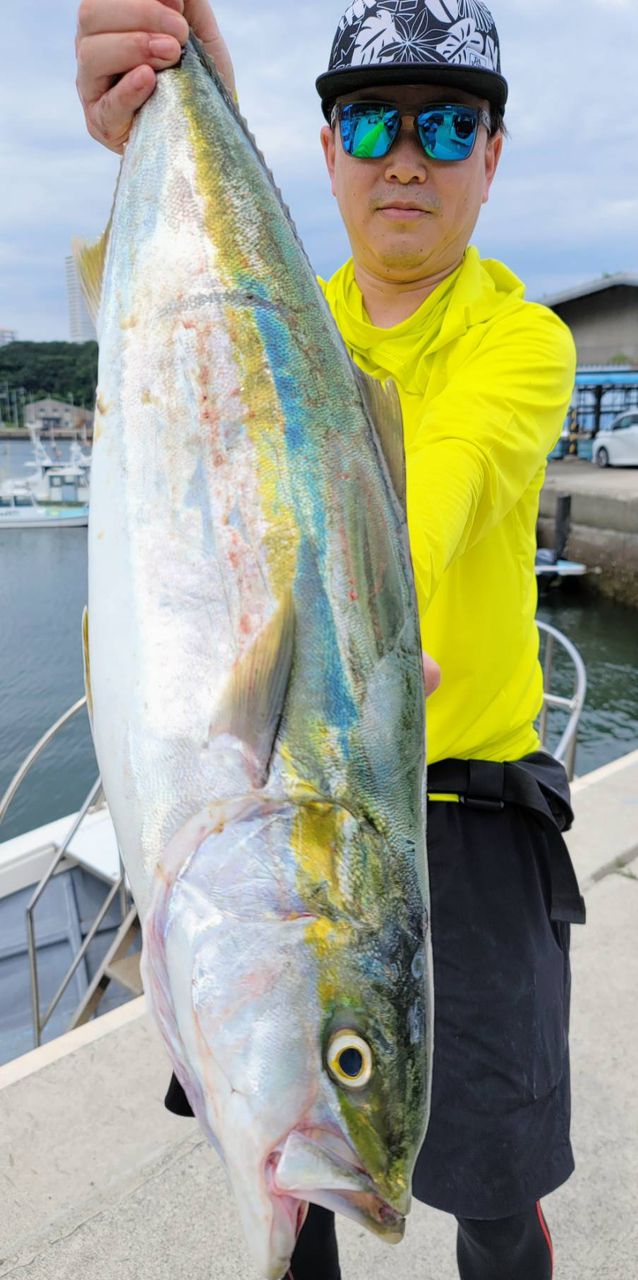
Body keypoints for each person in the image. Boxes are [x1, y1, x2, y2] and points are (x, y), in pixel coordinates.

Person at [75, 2, 586, 1277]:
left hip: (467, 816)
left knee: (483, 1173)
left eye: (445, 122)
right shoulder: (259, 315)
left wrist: (362, 642)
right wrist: (178, 112)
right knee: (287, 1145)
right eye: (371, 120)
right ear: (324, 145)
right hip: (286, 827)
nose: (403, 156)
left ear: (491, 153)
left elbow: (450, 477)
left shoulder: (522, 341)